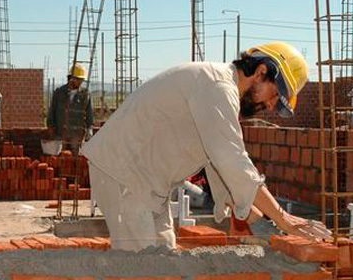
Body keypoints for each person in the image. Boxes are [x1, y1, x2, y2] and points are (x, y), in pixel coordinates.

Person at [82, 42, 321, 251]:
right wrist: (283, 219)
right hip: (124, 172)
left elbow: (215, 160)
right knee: (140, 271)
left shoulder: (219, 90)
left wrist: (248, 215)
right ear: (261, 72)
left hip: (146, 182)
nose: (270, 107)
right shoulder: (217, 86)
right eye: (275, 95)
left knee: (162, 256)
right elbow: (231, 158)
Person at [47, 64, 94, 153]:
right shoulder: (59, 93)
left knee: (75, 158)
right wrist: (50, 126)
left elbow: (89, 112)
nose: (81, 82)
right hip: (61, 131)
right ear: (72, 78)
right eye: (79, 79)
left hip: (77, 133)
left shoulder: (85, 94)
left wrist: (89, 128)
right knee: (59, 155)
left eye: (82, 80)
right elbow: (52, 110)